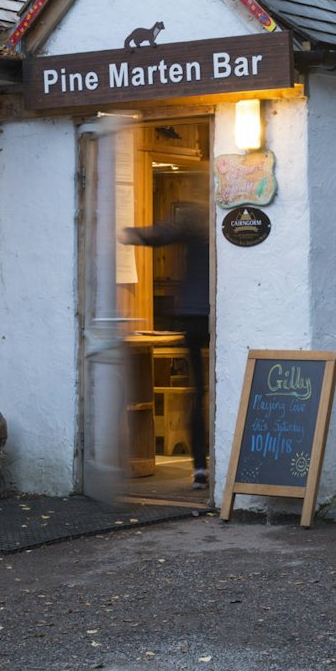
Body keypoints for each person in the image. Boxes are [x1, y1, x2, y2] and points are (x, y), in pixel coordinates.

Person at [120, 202, 210, 489]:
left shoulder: (197, 224)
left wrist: (132, 234)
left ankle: (200, 469)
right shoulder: (216, 224)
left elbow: (162, 234)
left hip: (194, 315)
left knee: (198, 393)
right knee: (216, 391)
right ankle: (212, 464)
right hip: (213, 314)